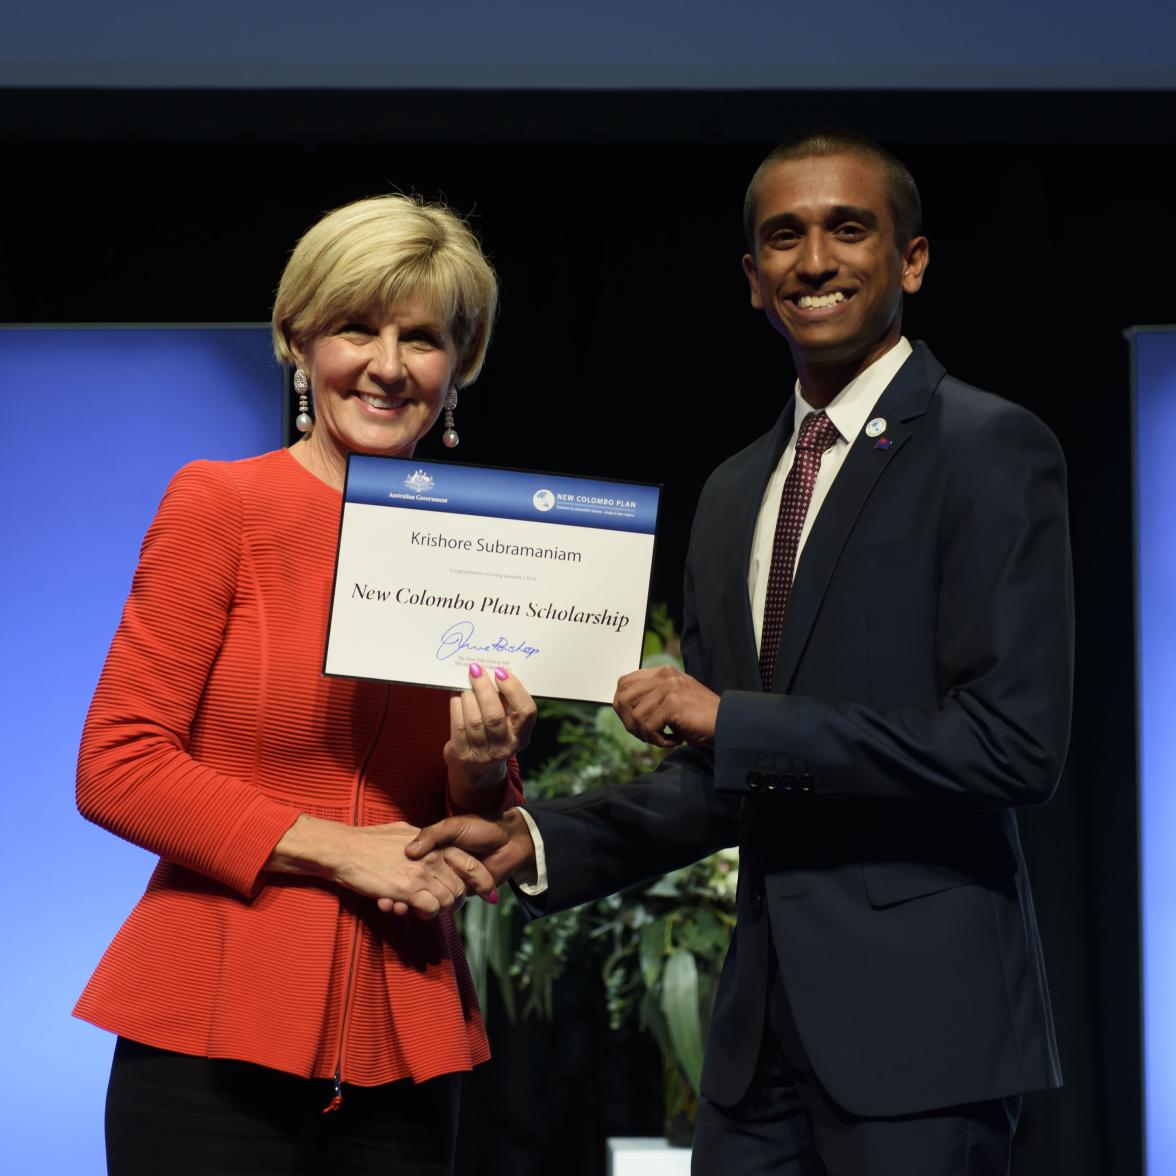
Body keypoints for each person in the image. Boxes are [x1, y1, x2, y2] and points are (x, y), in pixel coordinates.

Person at [406, 132, 1073, 1174]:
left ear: (913, 259)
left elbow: (1011, 747)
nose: (814, 261)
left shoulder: (991, 449)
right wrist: (539, 844)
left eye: (848, 229)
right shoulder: (732, 494)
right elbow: (722, 779)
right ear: (753, 282)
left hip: (923, 1043)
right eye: (784, 238)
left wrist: (733, 719)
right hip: (754, 1044)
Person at [74, 194, 537, 1176]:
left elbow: (478, 825)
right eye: (355, 327)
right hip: (210, 1021)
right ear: (297, 339)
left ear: (460, 363)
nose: (387, 363)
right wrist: (341, 853)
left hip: (404, 1034)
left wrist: (477, 770)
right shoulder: (221, 504)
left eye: (421, 337)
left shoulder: (489, 549)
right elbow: (117, 766)